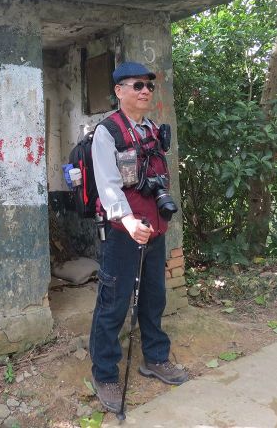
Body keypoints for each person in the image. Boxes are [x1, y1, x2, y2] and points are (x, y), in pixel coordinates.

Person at [89, 60, 188, 414]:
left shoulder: (152, 129)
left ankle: (155, 358)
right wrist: (129, 221)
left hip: (155, 228)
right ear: (119, 91)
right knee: (113, 304)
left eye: (148, 85)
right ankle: (104, 373)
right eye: (137, 85)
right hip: (124, 232)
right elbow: (108, 185)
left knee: (153, 296)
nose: (145, 90)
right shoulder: (108, 132)